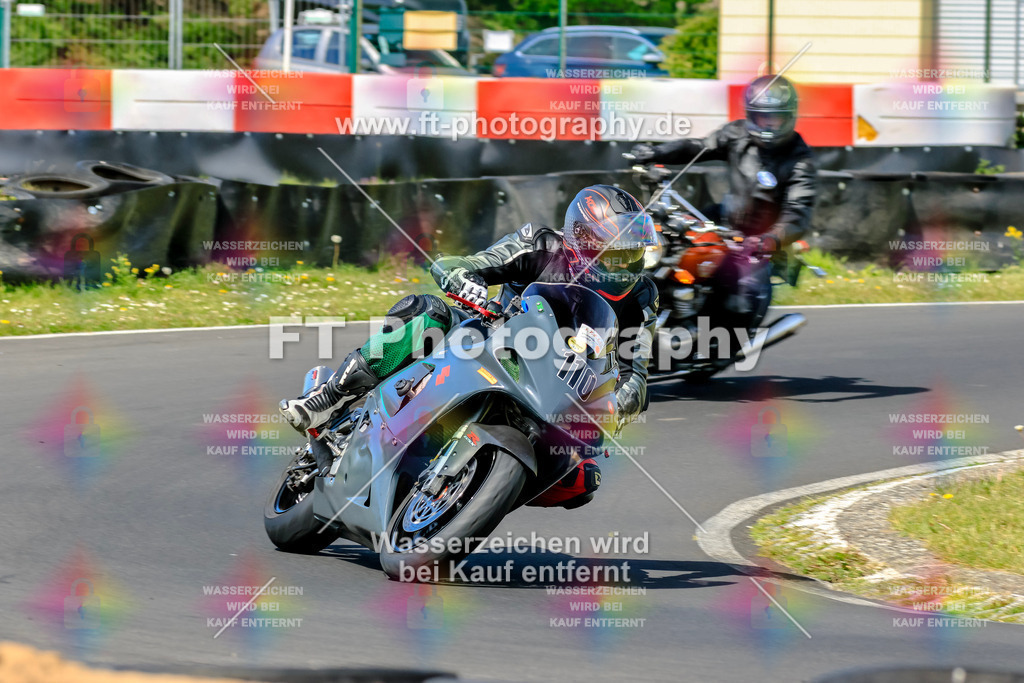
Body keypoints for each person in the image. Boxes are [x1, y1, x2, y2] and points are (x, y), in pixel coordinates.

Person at [278, 185, 659, 508]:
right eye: (616, 252)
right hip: (495, 338)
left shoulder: (640, 296)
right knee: (430, 315)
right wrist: (462, 277)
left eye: (633, 252)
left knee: (581, 480)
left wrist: (618, 404)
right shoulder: (541, 245)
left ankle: (467, 494)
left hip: (558, 386)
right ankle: (328, 398)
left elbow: (635, 373)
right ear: (582, 238)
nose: (626, 263)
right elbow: (469, 263)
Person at [631, 74, 817, 328]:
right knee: (666, 251)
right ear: (752, 115)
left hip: (758, 244)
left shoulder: (800, 161)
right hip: (720, 222)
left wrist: (771, 238)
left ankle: (711, 341)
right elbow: (698, 147)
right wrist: (655, 152)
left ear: (789, 117)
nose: (769, 126)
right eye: (764, 118)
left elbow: (798, 212)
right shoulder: (737, 134)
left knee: (735, 301)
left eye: (776, 118)